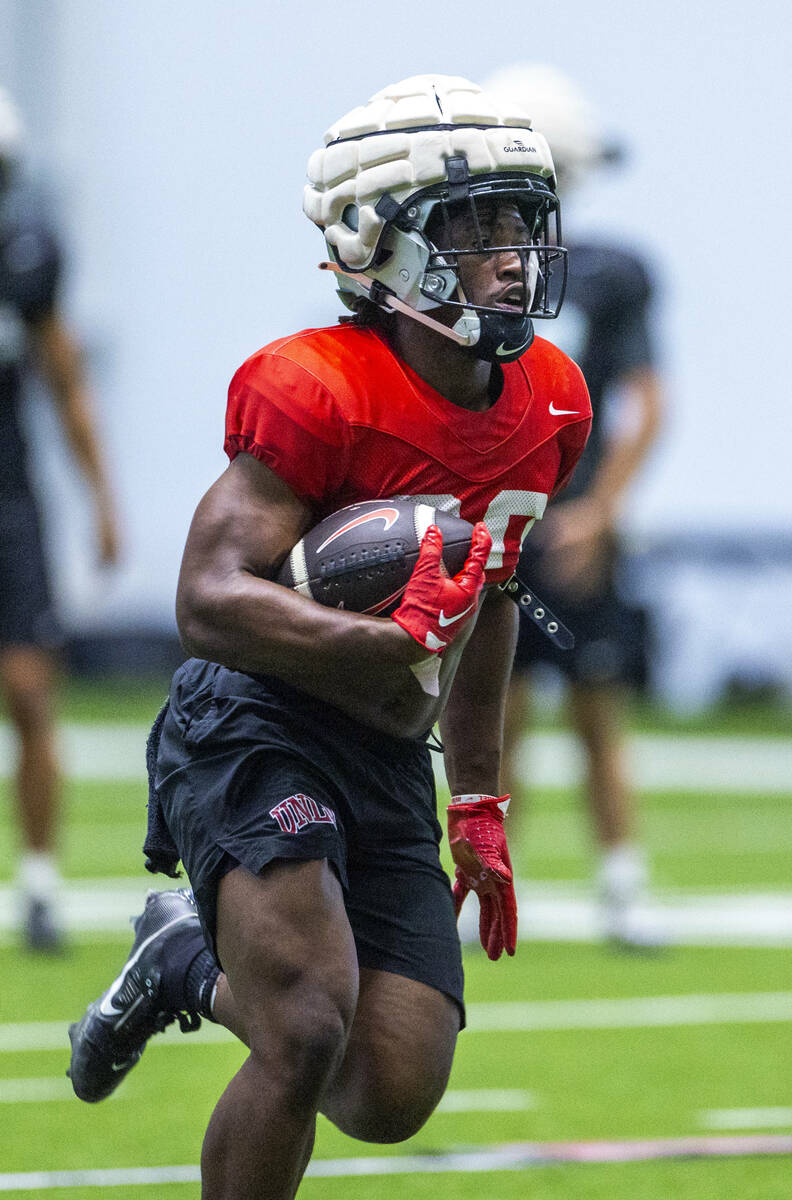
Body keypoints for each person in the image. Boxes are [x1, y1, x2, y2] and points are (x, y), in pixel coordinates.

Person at [67, 74, 591, 1198]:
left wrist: (480, 798)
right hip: (257, 720)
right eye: (472, 226)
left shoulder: (549, 398)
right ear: (378, 242)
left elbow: (491, 599)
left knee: (387, 1088)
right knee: (305, 1025)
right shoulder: (316, 387)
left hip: (388, 749)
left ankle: (188, 962)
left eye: (518, 222)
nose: (510, 255)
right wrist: (379, 640)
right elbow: (207, 598)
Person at [483, 64, 665, 947]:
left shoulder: (609, 273)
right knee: (494, 714)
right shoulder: (472, 269)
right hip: (498, 522)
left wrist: (603, 511)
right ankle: (483, 892)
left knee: (596, 705)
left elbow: (646, 399)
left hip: (572, 523)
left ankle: (624, 888)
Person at [0, 86, 120, 951]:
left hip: (9, 500)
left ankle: (39, 882)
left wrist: (102, 498)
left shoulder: (25, 254)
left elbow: (63, 376)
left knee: (31, 690)